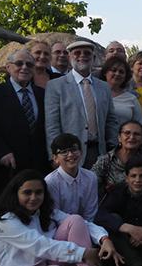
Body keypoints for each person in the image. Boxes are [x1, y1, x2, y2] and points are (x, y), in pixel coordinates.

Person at [0, 169, 121, 266]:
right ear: (15, 194)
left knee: (75, 220)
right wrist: (82, 253)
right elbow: (40, 245)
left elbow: (83, 223)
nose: (33, 197)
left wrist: (104, 238)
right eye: (27, 192)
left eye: (39, 192)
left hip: (51, 265)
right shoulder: (7, 222)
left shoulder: (46, 213)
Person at [0, 48, 50, 266]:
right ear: (8, 67)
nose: (24, 68)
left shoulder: (43, 94)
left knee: (33, 209)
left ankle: (31, 256)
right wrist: (1, 152)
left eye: (29, 65)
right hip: (3, 164)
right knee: (0, 210)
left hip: (35, 164)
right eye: (19, 63)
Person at [44, 39, 118, 169]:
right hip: (68, 155)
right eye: (77, 53)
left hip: (100, 153)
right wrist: (54, 156)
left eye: (87, 53)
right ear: (69, 57)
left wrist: (113, 150)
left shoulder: (104, 87)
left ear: (94, 58)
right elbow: (52, 125)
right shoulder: (55, 86)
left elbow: (110, 121)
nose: (82, 56)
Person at [92, 120, 142, 199]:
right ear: (119, 137)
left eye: (136, 134)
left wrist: (115, 187)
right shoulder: (106, 160)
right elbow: (91, 183)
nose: (132, 137)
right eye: (127, 133)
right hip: (113, 205)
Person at [44, 133, 98, 221]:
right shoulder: (50, 181)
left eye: (74, 150)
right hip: (59, 228)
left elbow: (90, 213)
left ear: (81, 152)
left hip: (87, 226)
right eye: (64, 152)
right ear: (55, 158)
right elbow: (54, 214)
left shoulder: (91, 177)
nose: (70, 155)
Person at [98, 55, 142, 130]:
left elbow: (141, 125)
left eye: (121, 72)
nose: (117, 74)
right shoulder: (94, 93)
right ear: (105, 72)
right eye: (113, 70)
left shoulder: (131, 98)